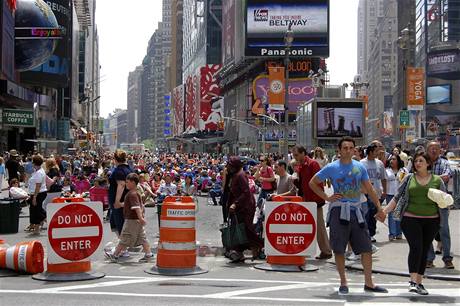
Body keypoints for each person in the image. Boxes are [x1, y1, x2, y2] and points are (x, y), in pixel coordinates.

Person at [309, 136, 388, 295]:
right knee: (339, 248)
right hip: (338, 210)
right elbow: (312, 182)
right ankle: (343, 282)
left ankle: (369, 282)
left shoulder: (360, 167)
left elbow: (370, 189)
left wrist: (380, 208)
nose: (348, 150)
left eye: (351, 148)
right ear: (339, 150)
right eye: (345, 148)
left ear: (354, 150)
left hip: (357, 210)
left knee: (366, 248)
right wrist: (326, 197)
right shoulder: (331, 167)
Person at [383, 152, 446, 295]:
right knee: (416, 247)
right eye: (416, 161)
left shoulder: (437, 180)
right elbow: (397, 196)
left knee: (424, 250)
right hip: (410, 218)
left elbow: (445, 200)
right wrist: (385, 211)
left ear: (428, 164)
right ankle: (412, 281)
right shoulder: (409, 178)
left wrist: (445, 201)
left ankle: (419, 282)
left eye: (421, 161)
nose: (417, 163)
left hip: (432, 220)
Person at [292, 145, 332, 260]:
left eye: (297, 155)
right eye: (294, 155)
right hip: (305, 199)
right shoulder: (301, 166)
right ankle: (305, 250)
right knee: (305, 227)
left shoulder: (312, 164)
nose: (295, 157)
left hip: (314, 200)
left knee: (319, 226)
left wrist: (319, 199)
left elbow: (319, 182)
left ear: (303, 153)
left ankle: (326, 250)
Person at [105, 173, 153, 263]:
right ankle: (148, 254)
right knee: (142, 237)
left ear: (133, 182)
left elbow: (136, 207)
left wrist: (140, 217)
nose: (126, 184)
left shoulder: (132, 194)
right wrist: (121, 204)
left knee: (125, 237)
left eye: (127, 182)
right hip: (136, 220)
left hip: (131, 220)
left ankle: (115, 255)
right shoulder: (135, 193)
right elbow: (138, 205)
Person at [226, 156, 264, 263]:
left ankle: (260, 246)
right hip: (240, 206)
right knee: (240, 229)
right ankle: (239, 251)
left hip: (245, 206)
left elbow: (246, 192)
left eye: (230, 165)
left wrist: (235, 204)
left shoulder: (240, 175)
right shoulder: (235, 175)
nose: (228, 167)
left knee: (246, 229)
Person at [425, 141, 454, 269]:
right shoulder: (422, 162)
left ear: (440, 150)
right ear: (427, 150)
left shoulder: (444, 162)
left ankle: (447, 258)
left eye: (436, 148)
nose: (434, 150)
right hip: (425, 203)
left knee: (444, 231)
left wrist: (428, 178)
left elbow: (447, 176)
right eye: (431, 148)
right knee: (427, 231)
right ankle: (429, 259)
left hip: (441, 203)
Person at [360, 143, 387, 243]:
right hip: (365, 193)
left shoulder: (379, 163)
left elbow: (383, 178)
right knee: (365, 213)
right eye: (376, 151)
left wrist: (385, 190)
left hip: (376, 192)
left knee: (373, 214)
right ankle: (366, 233)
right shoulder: (362, 163)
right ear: (370, 152)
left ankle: (371, 233)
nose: (378, 153)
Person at [109, 149, 132, 236]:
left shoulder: (119, 170)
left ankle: (124, 245)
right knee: (118, 224)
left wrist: (117, 201)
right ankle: (122, 244)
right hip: (126, 200)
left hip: (120, 202)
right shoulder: (129, 169)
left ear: (115, 159)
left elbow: (121, 185)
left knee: (121, 224)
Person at [385, 154, 407, 241]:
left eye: (393, 159)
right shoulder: (386, 170)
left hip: (400, 194)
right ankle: (392, 233)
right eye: (390, 159)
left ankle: (399, 233)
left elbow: (406, 182)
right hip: (390, 194)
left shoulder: (403, 170)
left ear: (398, 160)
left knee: (399, 213)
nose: (391, 161)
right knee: (391, 214)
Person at [27, 155, 48, 235]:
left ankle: (41, 223)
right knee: (35, 209)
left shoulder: (39, 172)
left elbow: (38, 186)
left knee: (37, 210)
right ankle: (36, 225)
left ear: (34, 163)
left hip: (39, 193)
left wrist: (35, 197)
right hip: (37, 192)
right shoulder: (38, 171)